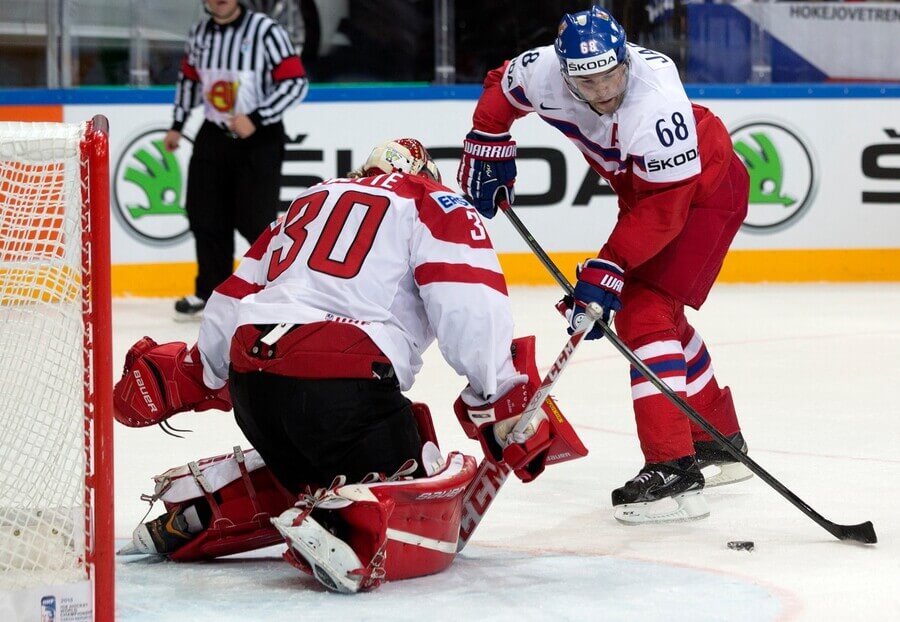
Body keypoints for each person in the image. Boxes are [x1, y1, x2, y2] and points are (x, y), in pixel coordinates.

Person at [113, 138, 562, 593]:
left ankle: (203, 509)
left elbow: (235, 294)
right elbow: (469, 300)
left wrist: (202, 370)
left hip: (255, 389)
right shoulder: (431, 200)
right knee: (416, 464)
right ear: (425, 173)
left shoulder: (309, 199)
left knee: (318, 461)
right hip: (344, 387)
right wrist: (498, 389)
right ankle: (349, 529)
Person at [457, 6, 752, 525]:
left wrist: (609, 265)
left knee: (644, 313)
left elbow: (667, 208)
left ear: (625, 59)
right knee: (660, 319)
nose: (601, 90)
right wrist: (489, 139)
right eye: (586, 79)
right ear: (565, 69)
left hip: (702, 189)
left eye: (610, 74)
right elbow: (502, 86)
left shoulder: (655, 99)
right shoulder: (544, 70)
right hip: (643, 192)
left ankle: (672, 469)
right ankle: (717, 440)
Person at [166, 0, 308, 320]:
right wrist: (177, 125)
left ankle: (273, 290)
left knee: (255, 220)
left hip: (258, 138)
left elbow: (295, 82)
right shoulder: (199, 33)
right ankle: (210, 293)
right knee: (205, 216)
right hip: (214, 134)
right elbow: (189, 81)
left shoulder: (266, 31)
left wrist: (257, 117)